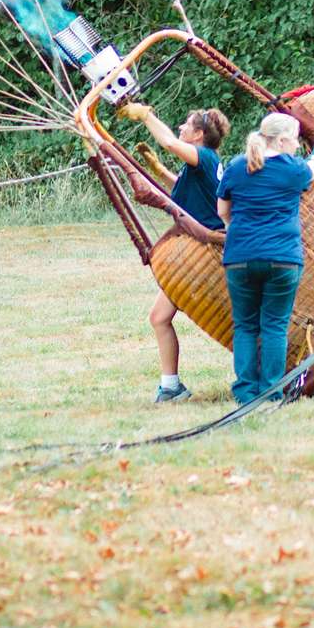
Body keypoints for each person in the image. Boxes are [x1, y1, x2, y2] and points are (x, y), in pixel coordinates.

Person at [116, 102, 232, 403]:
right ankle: (170, 387)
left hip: (201, 252)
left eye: (186, 124)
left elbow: (168, 141)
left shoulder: (203, 157)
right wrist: (157, 170)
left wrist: (146, 116)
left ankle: (171, 388)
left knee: (162, 317)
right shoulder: (203, 163)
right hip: (200, 249)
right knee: (159, 317)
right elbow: (180, 186)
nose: (180, 127)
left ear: (198, 135)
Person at [216, 112, 314, 404]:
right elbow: (312, 170)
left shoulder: (237, 166)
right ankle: (272, 389)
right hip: (283, 258)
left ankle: (245, 391)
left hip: (240, 257)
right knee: (275, 325)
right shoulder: (293, 168)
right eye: (295, 138)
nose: (298, 146)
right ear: (281, 139)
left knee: (245, 326)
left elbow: (222, 212)